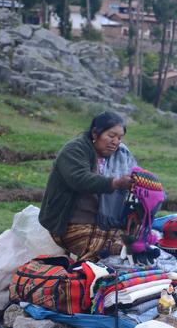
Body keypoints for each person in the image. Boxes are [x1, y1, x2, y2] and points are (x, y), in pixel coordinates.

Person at [39, 111, 136, 261]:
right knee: (111, 254)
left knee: (135, 246)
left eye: (119, 138)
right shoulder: (75, 150)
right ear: (95, 133)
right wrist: (115, 183)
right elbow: (80, 179)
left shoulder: (120, 155)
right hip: (69, 224)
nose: (116, 142)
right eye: (111, 136)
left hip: (102, 223)